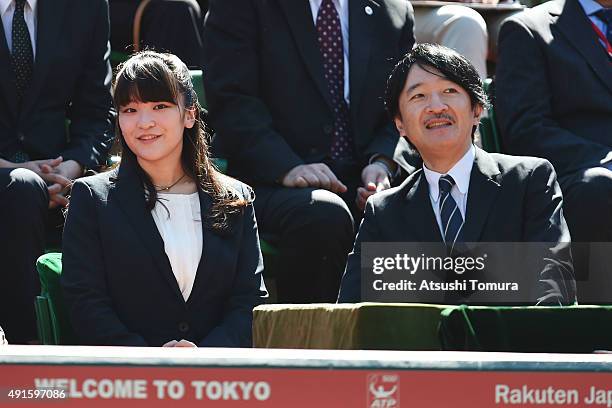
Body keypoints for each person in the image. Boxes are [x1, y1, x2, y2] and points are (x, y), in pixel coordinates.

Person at [203, 0, 418, 303]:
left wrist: (382, 163)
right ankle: (312, 346)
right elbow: (232, 102)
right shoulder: (243, 6)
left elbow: (406, 109)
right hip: (270, 181)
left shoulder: (391, 10)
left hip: (363, 180)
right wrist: (287, 167)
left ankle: (424, 344)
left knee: (434, 204)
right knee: (323, 215)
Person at [338, 43, 576, 305]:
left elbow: (554, 283)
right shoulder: (384, 212)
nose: (436, 106)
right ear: (400, 124)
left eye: (449, 91)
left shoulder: (529, 181)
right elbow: (352, 310)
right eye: (418, 96)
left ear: (477, 110)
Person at [61, 51, 267, 347]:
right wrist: (151, 361)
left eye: (159, 106)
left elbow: (249, 302)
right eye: (130, 109)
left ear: (189, 115)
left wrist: (205, 357)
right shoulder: (92, 198)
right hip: (127, 381)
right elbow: (86, 303)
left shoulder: (237, 198)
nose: (144, 122)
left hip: (217, 380)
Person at [0, 0, 115, 343]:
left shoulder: (85, 7)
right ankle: (28, 353)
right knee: (21, 188)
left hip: (58, 175)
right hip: (16, 181)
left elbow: (97, 111)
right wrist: (15, 169)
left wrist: (71, 167)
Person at [495, 0, 612, 301]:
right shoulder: (527, 29)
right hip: (578, 174)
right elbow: (526, 129)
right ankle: (597, 325)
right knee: (599, 186)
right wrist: (606, 158)